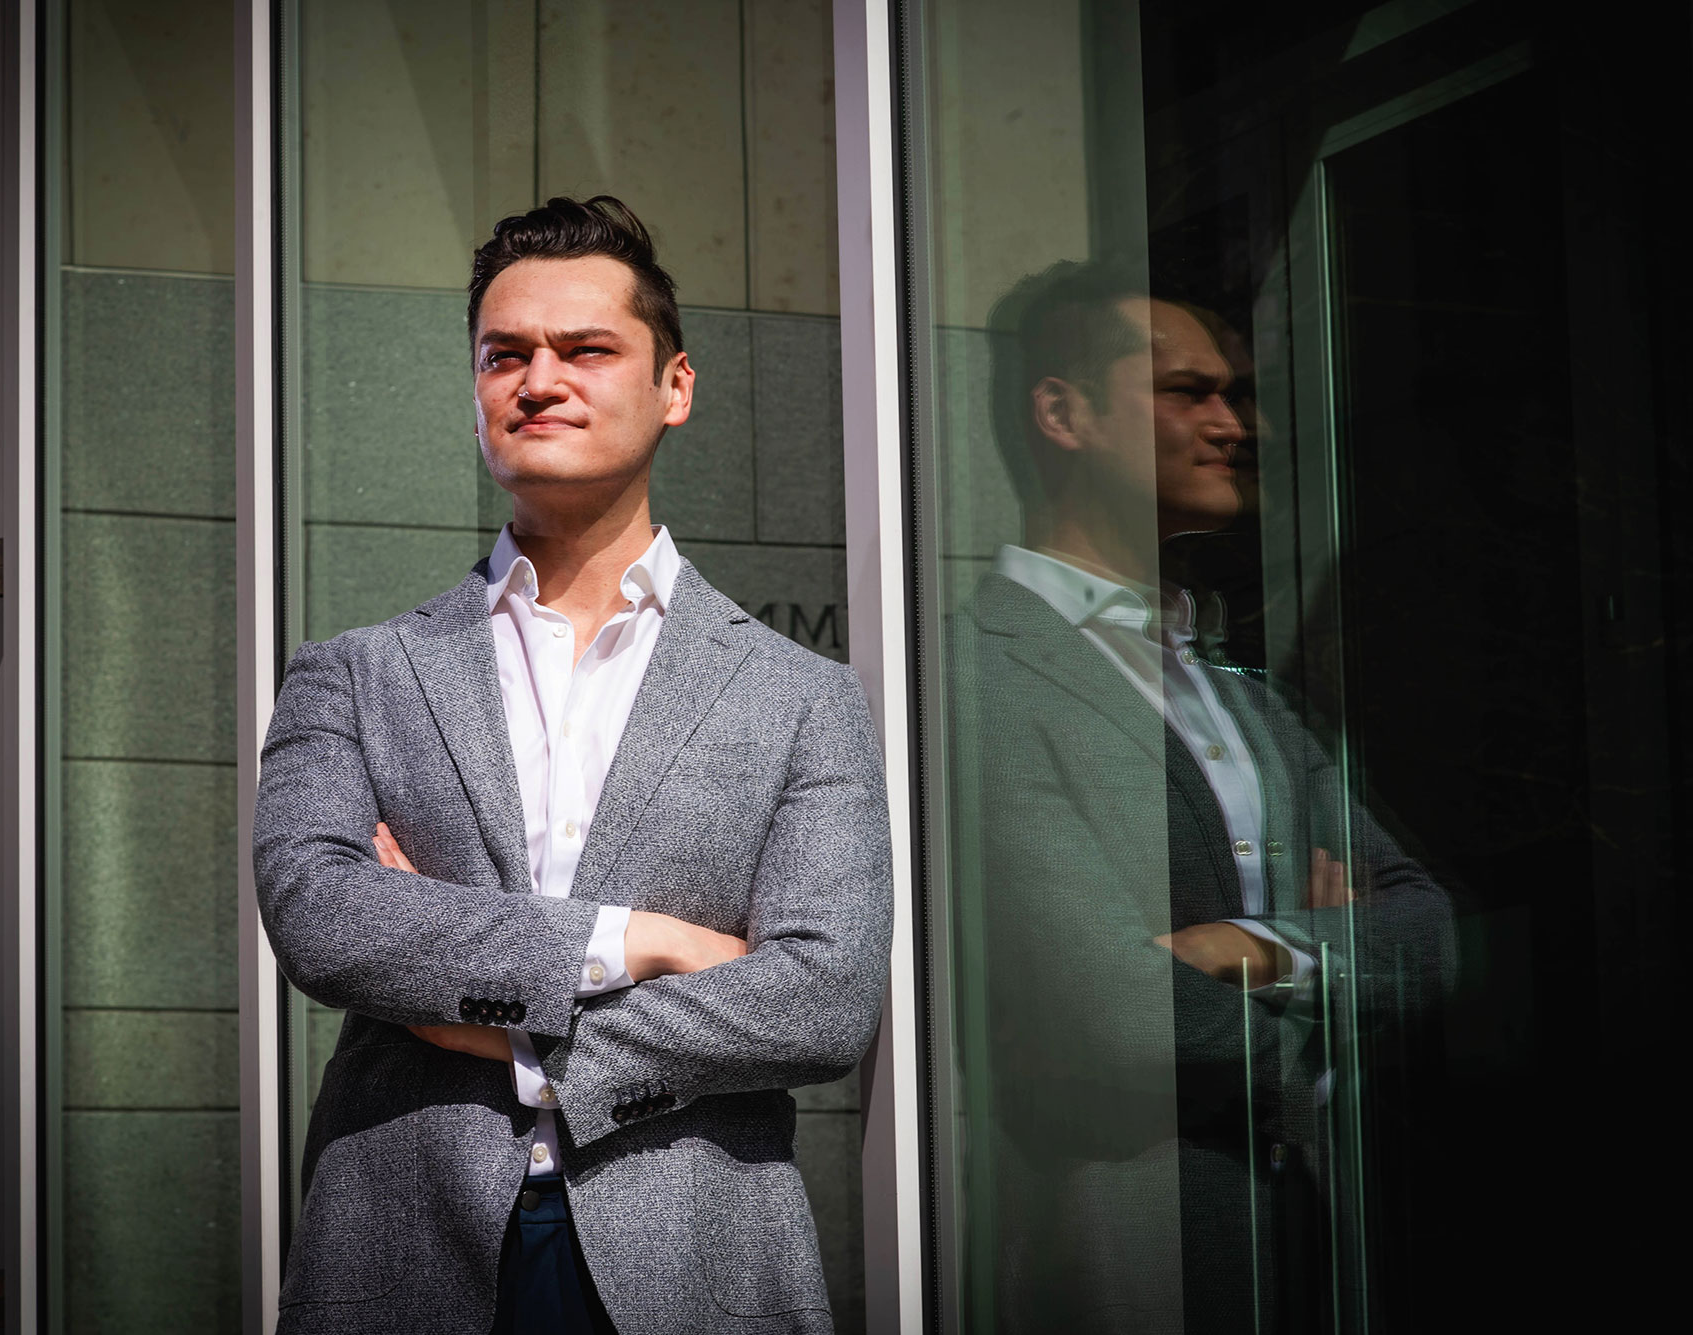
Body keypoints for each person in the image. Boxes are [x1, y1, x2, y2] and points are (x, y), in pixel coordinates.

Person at [253, 195, 892, 1334]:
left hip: (696, 1260)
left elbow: (823, 1000)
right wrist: (629, 942)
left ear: (676, 386)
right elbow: (320, 916)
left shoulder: (799, 697)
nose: (537, 380)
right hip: (404, 1250)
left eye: (586, 349)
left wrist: (514, 1037)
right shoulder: (355, 673)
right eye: (505, 355)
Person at [955, 260, 1456, 1332]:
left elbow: (1427, 932)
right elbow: (1113, 1016)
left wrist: (1250, 949)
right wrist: (1329, 981)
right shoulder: (977, 670)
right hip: (1115, 1243)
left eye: (1233, 391)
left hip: (1300, 1230)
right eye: (1188, 391)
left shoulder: (1241, 690)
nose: (1238, 423)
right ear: (1062, 412)